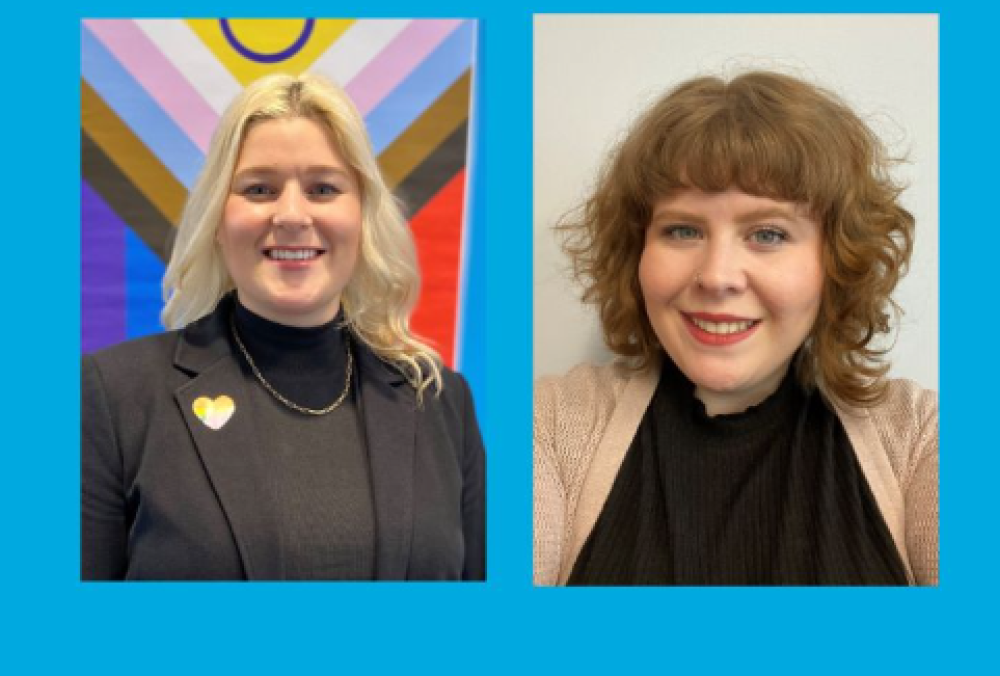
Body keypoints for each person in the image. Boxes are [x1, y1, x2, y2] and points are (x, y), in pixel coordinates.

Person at [534, 71, 938, 586]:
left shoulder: (923, 437)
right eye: (682, 230)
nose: (717, 276)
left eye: (767, 234)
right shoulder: (546, 424)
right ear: (637, 253)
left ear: (836, 261)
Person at [82, 73, 485, 581]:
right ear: (218, 219)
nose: (291, 214)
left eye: (323, 188)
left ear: (361, 214)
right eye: (259, 189)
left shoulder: (443, 401)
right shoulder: (112, 394)